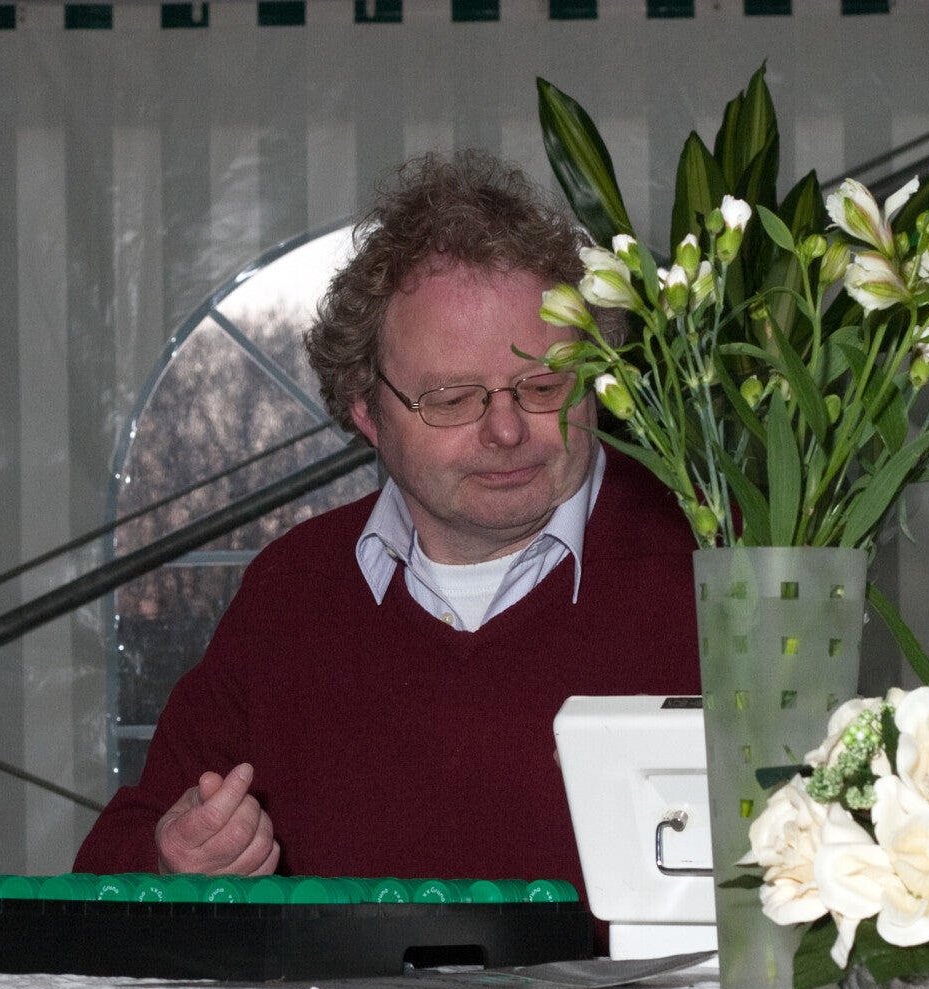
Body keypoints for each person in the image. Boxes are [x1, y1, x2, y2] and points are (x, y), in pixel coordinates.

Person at [73, 151, 701, 891]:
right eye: (451, 400)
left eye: (543, 386)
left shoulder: (715, 564)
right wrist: (172, 860)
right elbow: (109, 864)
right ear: (367, 411)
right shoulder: (292, 593)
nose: (506, 431)